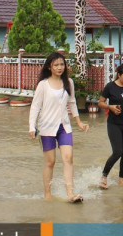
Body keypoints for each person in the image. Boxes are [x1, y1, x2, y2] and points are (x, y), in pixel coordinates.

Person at [29, 52, 89, 203]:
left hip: (64, 126)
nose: (59, 67)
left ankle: (70, 193)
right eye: (56, 65)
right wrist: (31, 126)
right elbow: (35, 106)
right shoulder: (43, 85)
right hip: (46, 127)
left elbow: (72, 102)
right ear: (49, 67)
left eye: (62, 64)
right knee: (50, 162)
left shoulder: (69, 82)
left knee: (68, 158)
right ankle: (47, 194)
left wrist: (79, 122)